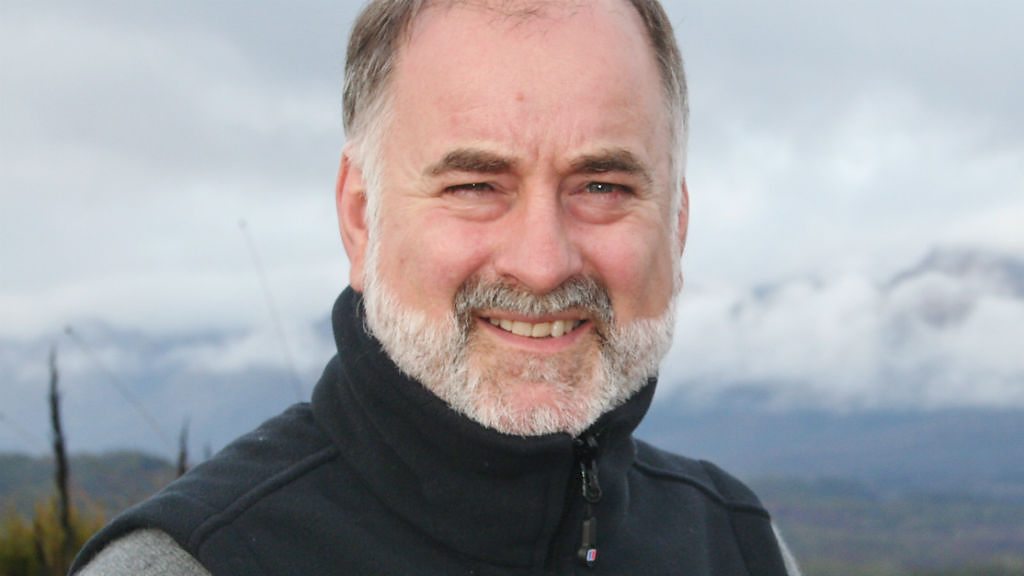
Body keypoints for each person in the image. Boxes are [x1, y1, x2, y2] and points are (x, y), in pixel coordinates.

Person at [71, 1, 801, 574]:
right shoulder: (195, 564)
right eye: (476, 185)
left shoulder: (741, 549)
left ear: (676, 223)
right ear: (361, 217)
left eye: (602, 186)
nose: (542, 263)